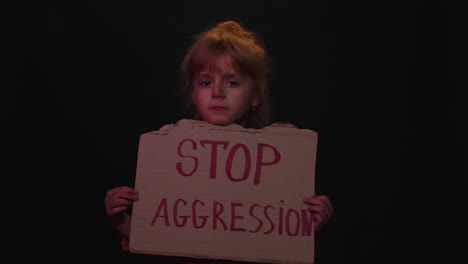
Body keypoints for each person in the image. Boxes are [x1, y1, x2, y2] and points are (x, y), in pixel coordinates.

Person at [104, 20, 333, 262]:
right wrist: (121, 220)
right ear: (194, 93)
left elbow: (282, 245)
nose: (217, 93)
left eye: (232, 82)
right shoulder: (170, 159)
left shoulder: (279, 167)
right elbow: (160, 239)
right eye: (206, 82)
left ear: (255, 95)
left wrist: (310, 226)